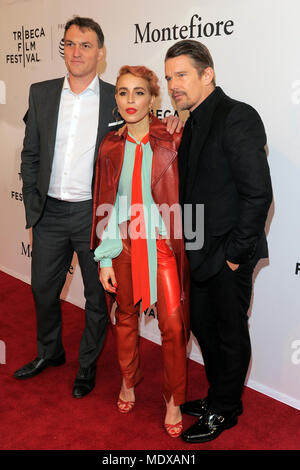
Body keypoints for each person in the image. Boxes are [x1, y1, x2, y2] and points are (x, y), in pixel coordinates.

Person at [164, 40, 273, 443]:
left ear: (207, 74)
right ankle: (217, 396)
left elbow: (257, 194)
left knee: (229, 334)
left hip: (228, 254)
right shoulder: (190, 122)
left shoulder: (238, 116)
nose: (173, 84)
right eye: (169, 76)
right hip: (197, 252)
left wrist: (233, 256)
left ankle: (225, 410)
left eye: (182, 75)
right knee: (205, 330)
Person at [90, 65, 190, 437]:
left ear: (153, 99)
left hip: (162, 246)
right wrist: (104, 257)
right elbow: (106, 204)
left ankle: (173, 398)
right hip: (124, 245)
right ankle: (128, 381)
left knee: (174, 327)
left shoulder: (171, 139)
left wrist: (182, 119)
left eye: (139, 92)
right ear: (115, 99)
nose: (130, 100)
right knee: (125, 319)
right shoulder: (110, 145)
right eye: (122, 92)